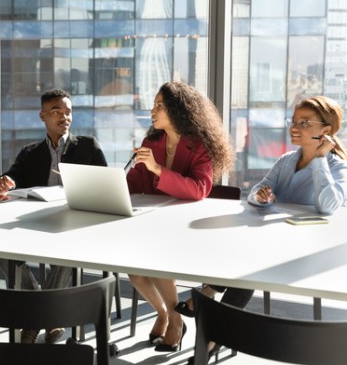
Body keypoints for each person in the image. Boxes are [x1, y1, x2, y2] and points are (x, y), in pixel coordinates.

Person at [184, 95, 347, 365]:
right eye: (293, 121)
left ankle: (210, 312)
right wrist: (262, 197)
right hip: (273, 240)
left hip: (306, 251)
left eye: (304, 123)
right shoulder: (286, 160)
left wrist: (319, 159)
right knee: (244, 254)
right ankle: (213, 325)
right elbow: (256, 191)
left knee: (249, 263)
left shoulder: (338, 167)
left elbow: (329, 206)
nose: (295, 127)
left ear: (326, 131)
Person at [125, 81, 234, 353]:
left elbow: (199, 189)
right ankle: (164, 314)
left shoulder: (199, 146)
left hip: (188, 229)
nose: (153, 110)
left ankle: (174, 322)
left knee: (157, 263)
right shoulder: (151, 141)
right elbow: (135, 182)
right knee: (135, 274)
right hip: (154, 224)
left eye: (160, 105)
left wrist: (157, 168)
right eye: (153, 104)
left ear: (178, 110)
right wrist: (112, 186)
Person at [0, 88, 107, 344]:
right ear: (43, 116)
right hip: (35, 223)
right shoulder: (29, 152)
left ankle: (35, 318)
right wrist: (5, 181)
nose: (64, 117)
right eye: (56, 112)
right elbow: (12, 177)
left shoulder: (88, 147)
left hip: (74, 224)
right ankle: (49, 316)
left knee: (70, 250)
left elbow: (106, 186)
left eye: (68, 112)